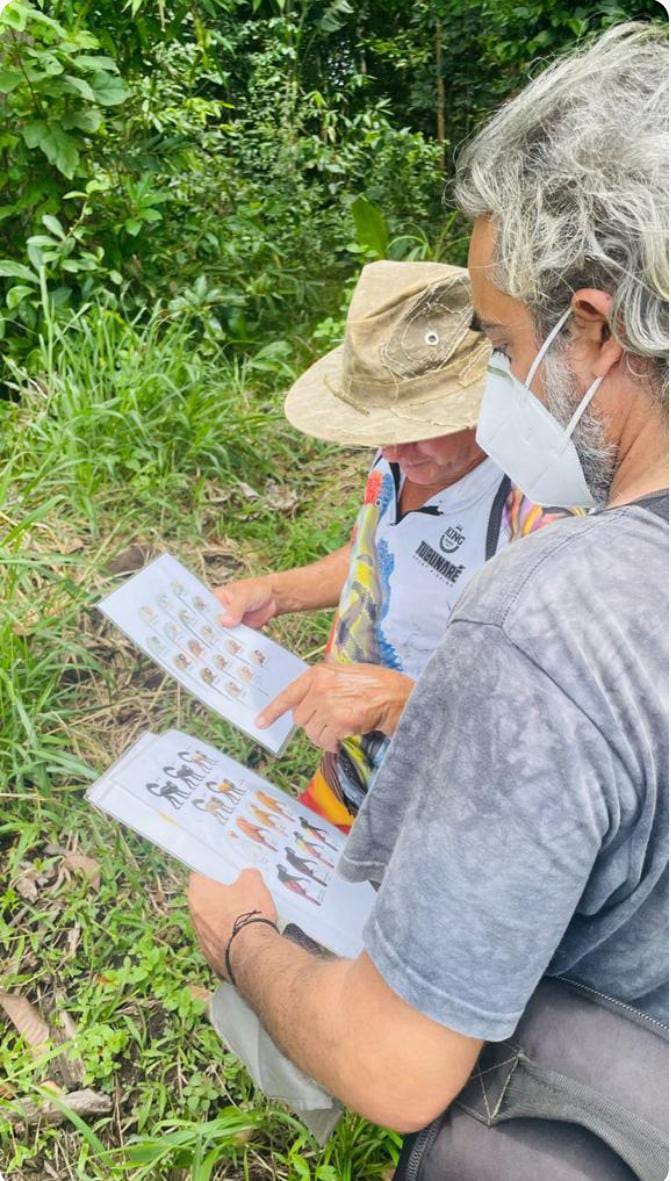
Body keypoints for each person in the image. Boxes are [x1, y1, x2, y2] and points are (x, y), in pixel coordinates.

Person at [189, 18, 668, 1149]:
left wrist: (241, 935)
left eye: (503, 347)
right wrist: (287, 590)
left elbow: (401, 1065)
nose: (505, 386)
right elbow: (373, 554)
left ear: (588, 329)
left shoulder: (546, 601)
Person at [216, 262, 579, 828]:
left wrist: (399, 701)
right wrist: (279, 592)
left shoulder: (542, 516)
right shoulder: (400, 457)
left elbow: (559, 724)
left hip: (450, 806)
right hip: (354, 770)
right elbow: (383, 555)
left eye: (420, 423)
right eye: (381, 426)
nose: (394, 447)